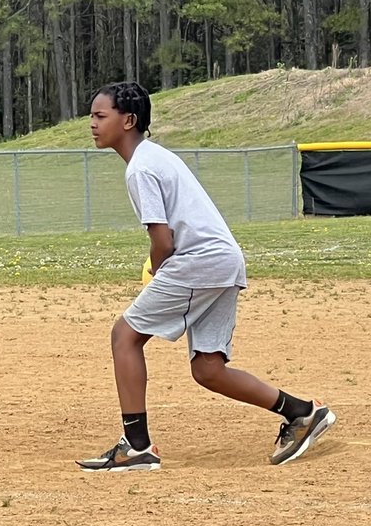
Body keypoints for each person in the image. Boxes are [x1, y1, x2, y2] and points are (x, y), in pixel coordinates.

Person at [77, 81, 335, 471]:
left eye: (100, 116)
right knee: (208, 370)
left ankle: (136, 445)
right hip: (223, 261)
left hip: (199, 261)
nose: (92, 124)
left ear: (128, 120)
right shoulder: (153, 157)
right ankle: (301, 413)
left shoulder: (142, 168)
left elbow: (162, 240)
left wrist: (156, 273)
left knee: (124, 336)